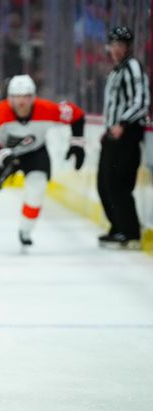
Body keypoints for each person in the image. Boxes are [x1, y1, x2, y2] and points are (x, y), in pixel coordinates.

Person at [0, 75, 85, 247]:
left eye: (26, 96)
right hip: (2, 154)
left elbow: (77, 115)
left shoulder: (46, 109)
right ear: (9, 98)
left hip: (35, 153)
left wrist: (77, 144)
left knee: (37, 189)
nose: (21, 102)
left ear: (33, 97)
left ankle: (26, 230)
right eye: (17, 96)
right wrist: (5, 156)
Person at [97, 26, 150, 249]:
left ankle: (130, 233)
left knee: (118, 183)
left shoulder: (133, 67)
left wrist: (123, 123)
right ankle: (118, 227)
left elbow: (141, 101)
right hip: (113, 134)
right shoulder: (116, 71)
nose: (116, 49)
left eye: (120, 45)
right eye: (113, 45)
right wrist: (108, 127)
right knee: (104, 184)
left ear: (128, 47)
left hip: (127, 134)